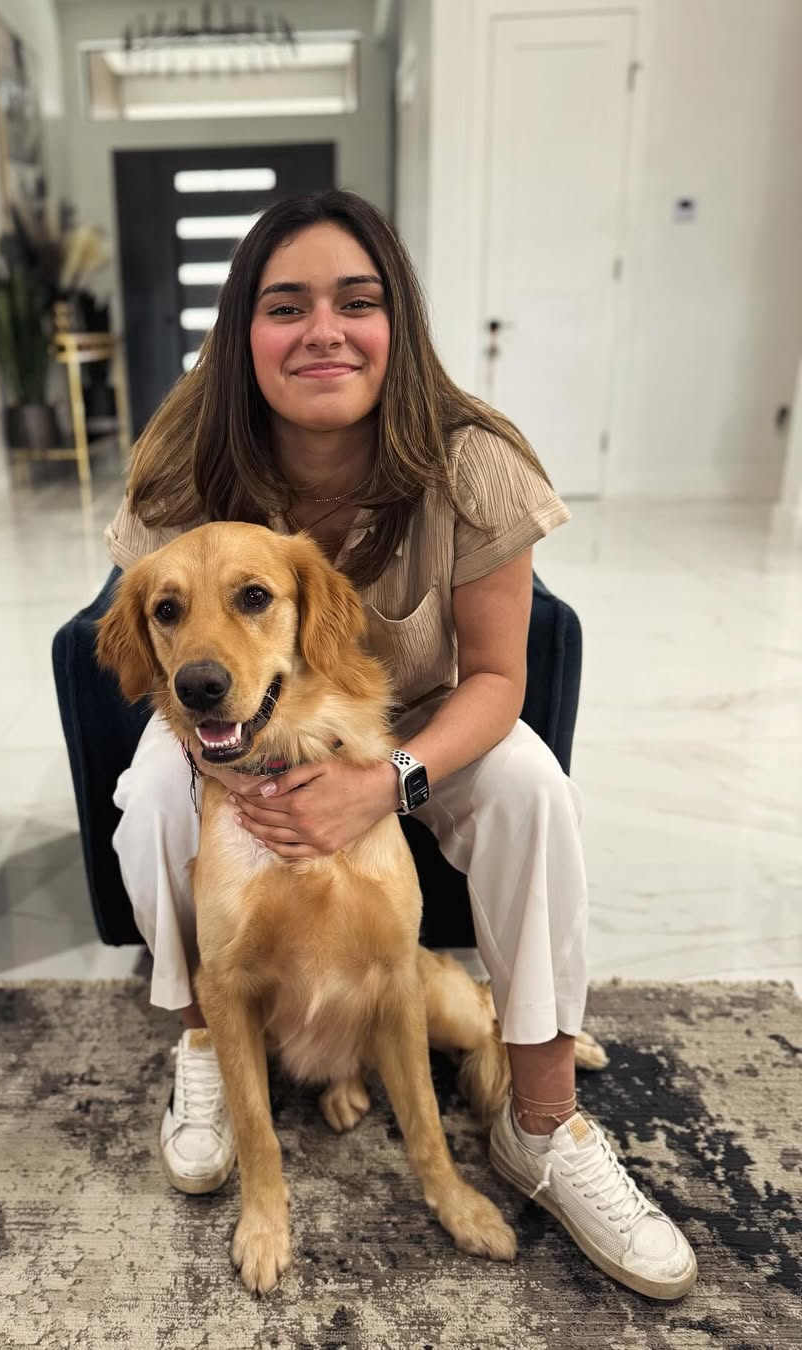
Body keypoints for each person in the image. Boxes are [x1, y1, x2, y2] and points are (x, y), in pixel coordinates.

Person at [104, 190, 697, 1299]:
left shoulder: (473, 461)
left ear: (397, 321)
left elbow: (501, 680)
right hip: (250, 736)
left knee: (531, 786)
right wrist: (229, 764)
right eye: (286, 306)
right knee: (147, 795)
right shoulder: (183, 459)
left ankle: (542, 1119)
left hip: (426, 727)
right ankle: (204, 1041)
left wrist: (386, 782)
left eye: (357, 301)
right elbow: (160, 649)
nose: (323, 331)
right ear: (244, 331)